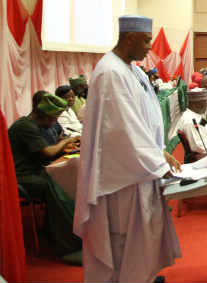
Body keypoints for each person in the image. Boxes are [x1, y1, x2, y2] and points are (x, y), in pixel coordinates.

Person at [74, 15, 182, 281]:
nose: (149, 48)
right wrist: (158, 163)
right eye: (146, 40)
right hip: (123, 179)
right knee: (123, 245)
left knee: (140, 246)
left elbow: (141, 120)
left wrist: (160, 152)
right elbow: (123, 131)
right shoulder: (111, 72)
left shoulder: (129, 69)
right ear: (129, 38)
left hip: (139, 169)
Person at [9, 93, 82, 262]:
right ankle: (67, 246)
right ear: (45, 115)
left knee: (62, 181)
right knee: (53, 187)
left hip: (34, 170)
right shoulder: (25, 127)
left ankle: (58, 230)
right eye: (54, 118)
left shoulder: (34, 125)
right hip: (21, 176)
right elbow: (48, 152)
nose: (54, 122)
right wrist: (66, 142)